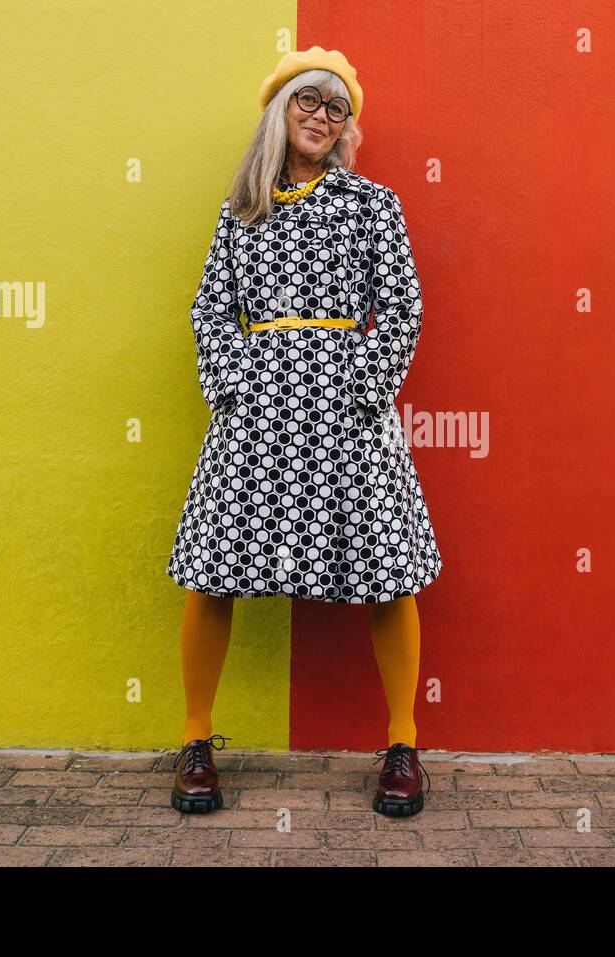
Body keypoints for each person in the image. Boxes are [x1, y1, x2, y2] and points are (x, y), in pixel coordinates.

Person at [165, 47, 441, 818]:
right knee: (213, 566)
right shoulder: (241, 210)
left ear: (348, 126)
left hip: (349, 410)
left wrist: (363, 386)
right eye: (307, 102)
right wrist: (231, 385)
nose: (321, 117)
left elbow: (405, 307)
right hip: (254, 411)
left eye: (336, 107)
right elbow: (210, 308)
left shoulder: (372, 205)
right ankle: (194, 740)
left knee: (387, 565)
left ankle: (403, 742)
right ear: (280, 112)